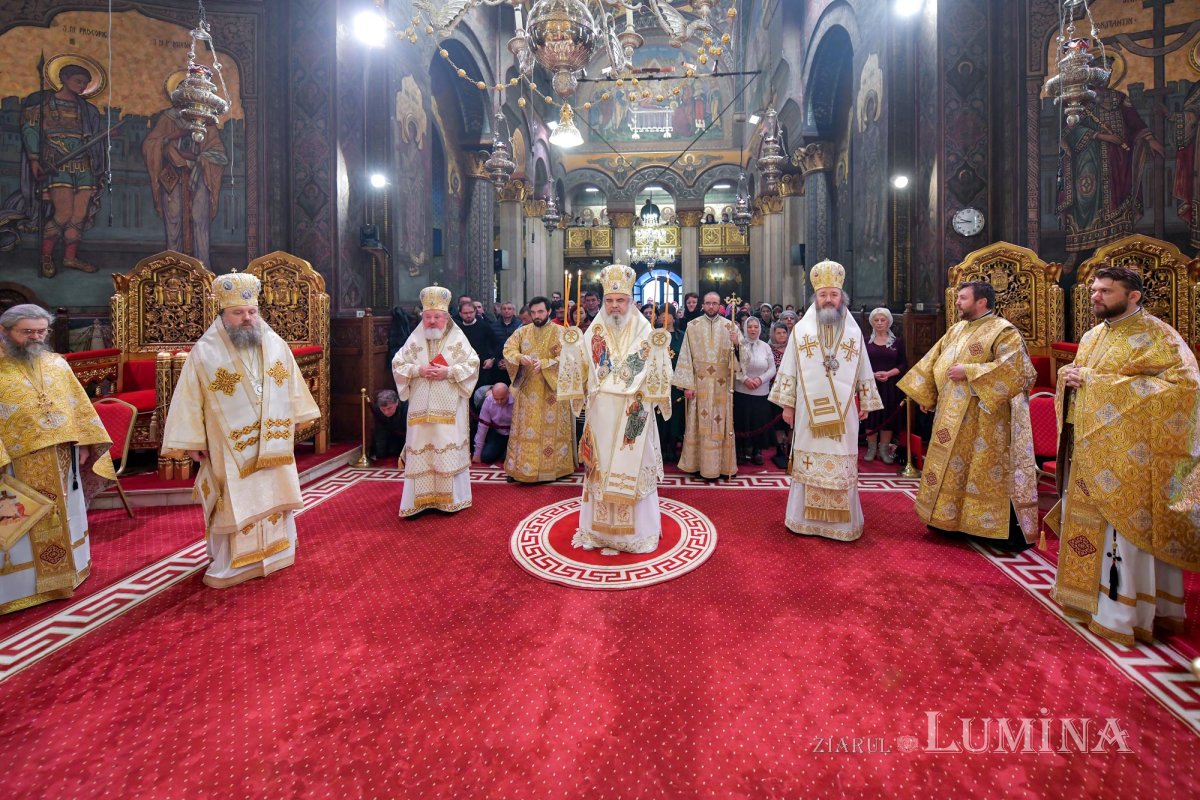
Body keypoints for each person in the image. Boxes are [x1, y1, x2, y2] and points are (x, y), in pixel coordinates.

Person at [1052, 265, 1200, 645]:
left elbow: (1184, 390)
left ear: (1133, 296)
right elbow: (1080, 380)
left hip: (1134, 462)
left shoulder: (1159, 336)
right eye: (1094, 290)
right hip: (1088, 450)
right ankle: (1087, 602)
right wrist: (1068, 378)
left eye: (1105, 291)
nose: (1095, 297)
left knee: (1124, 537)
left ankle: (1125, 612)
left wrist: (1097, 384)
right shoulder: (1091, 336)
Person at [161, 273, 321, 588]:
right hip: (229, 446)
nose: (247, 318)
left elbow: (292, 384)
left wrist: (300, 415)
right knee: (235, 496)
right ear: (223, 314)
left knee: (275, 489)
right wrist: (194, 440)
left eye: (252, 312)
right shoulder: (205, 352)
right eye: (239, 313)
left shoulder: (274, 342)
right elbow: (189, 399)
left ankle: (278, 549)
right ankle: (231, 564)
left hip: (273, 443)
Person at [898, 280, 1039, 551]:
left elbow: (1018, 371)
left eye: (963, 298)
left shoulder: (1003, 331)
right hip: (951, 414)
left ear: (981, 302)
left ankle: (990, 529)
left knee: (981, 471)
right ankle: (948, 521)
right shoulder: (958, 329)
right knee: (953, 468)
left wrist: (971, 372)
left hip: (985, 421)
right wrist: (929, 394)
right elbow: (934, 360)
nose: (958, 303)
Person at [0, 304, 114, 614]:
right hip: (15, 463)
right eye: (27, 332)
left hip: (64, 457)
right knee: (21, 519)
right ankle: (22, 587)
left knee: (63, 514)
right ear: (6, 332)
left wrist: (86, 445)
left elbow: (78, 407)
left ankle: (67, 574)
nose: (36, 338)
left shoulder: (56, 364)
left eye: (41, 331)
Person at [557, 264, 674, 554]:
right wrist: (570, 350)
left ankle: (636, 535)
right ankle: (599, 533)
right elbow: (582, 367)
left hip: (634, 411)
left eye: (620, 300)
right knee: (601, 468)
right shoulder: (594, 329)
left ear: (630, 301)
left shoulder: (647, 330)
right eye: (609, 301)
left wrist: (660, 354)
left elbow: (657, 372)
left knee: (633, 468)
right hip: (601, 412)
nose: (614, 306)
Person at [769, 261, 881, 541]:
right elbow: (791, 369)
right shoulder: (801, 331)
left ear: (842, 298)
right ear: (815, 299)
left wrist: (865, 401)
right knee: (808, 460)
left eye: (833, 295)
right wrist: (787, 405)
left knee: (842, 460)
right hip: (809, 411)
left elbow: (863, 366)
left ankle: (841, 525)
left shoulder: (854, 332)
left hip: (844, 411)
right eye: (823, 295)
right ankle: (803, 520)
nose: (828, 299)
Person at [393, 286, 480, 516]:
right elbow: (398, 364)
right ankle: (418, 502)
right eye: (428, 316)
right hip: (420, 411)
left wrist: (449, 372)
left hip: (449, 410)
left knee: (446, 449)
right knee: (421, 449)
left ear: (446, 317)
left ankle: (450, 500)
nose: (432, 321)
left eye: (437, 317)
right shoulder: (414, 339)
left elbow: (473, 364)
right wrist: (417, 369)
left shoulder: (458, 339)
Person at [13, 64, 106, 277]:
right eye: (78, 81)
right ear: (64, 78)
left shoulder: (87, 109)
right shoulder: (45, 103)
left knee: (79, 215)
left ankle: (70, 258)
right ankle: (46, 256)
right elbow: (31, 130)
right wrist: (35, 159)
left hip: (84, 165)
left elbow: (92, 137)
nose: (82, 87)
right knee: (63, 214)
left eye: (85, 83)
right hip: (58, 164)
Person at [142, 100, 229, 267]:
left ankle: (202, 267)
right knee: (173, 218)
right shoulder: (168, 119)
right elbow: (150, 145)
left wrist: (196, 157)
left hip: (200, 177)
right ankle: (174, 267)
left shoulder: (207, 123)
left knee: (199, 218)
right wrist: (171, 138)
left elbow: (218, 154)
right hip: (172, 177)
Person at [500, 296, 577, 482]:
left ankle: (552, 469)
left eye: (541, 311)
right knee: (526, 430)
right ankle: (521, 469)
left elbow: (569, 359)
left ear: (549, 311)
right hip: (528, 391)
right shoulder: (522, 332)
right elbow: (508, 350)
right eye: (533, 312)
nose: (536, 315)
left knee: (550, 431)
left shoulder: (561, 332)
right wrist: (519, 358)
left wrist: (544, 364)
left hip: (551, 392)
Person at [674, 292, 741, 479]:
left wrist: (736, 343)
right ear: (702, 305)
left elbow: (742, 361)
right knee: (699, 425)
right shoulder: (692, 326)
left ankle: (723, 467)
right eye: (708, 303)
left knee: (721, 424)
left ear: (720, 306)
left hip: (722, 383)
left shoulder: (731, 326)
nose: (711, 307)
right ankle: (697, 465)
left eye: (715, 304)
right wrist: (687, 384)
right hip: (700, 383)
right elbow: (685, 356)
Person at [862, 308, 907, 464]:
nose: (879, 323)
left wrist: (888, 374)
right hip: (870, 384)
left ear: (889, 322)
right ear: (872, 323)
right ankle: (871, 449)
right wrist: (871, 374)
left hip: (890, 385)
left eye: (883, 320)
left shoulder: (897, 342)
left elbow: (903, 364)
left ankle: (884, 449)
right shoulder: (865, 341)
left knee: (888, 417)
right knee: (871, 417)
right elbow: (860, 364)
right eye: (876, 320)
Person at [733, 316, 777, 465]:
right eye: (750, 326)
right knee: (741, 422)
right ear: (745, 328)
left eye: (755, 327)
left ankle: (757, 451)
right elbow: (734, 365)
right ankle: (741, 450)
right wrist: (745, 379)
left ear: (759, 329)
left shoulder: (766, 346)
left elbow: (772, 368)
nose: (753, 329)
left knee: (759, 423)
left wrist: (760, 379)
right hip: (742, 391)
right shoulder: (738, 345)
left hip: (761, 391)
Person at [654, 302, 686, 464]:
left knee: (675, 415)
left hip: (676, 382)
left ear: (674, 317)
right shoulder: (654, 336)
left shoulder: (682, 336)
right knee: (659, 415)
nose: (663, 317)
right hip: (659, 382)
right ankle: (660, 447)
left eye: (666, 314)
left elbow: (686, 359)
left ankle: (672, 448)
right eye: (660, 315)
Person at [457, 299, 501, 387]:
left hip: (483, 370)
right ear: (460, 314)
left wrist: (492, 359)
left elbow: (498, 344)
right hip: (464, 370)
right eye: (465, 313)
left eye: (471, 312)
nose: (469, 315)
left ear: (475, 312)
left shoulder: (484, 326)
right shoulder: (458, 330)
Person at [767, 321, 792, 468]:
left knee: (790, 423)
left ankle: (789, 449)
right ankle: (779, 450)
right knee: (778, 424)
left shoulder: (792, 348)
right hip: (775, 391)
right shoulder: (769, 349)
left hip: (791, 392)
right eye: (778, 333)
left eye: (784, 332)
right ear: (773, 335)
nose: (782, 335)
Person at [472, 382, 514, 466]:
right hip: (497, 434)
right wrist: (477, 453)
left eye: (502, 399)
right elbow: (482, 427)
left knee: (513, 458)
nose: (499, 402)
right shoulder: (489, 401)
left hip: (514, 435)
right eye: (496, 399)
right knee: (486, 457)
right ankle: (503, 451)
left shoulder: (516, 401)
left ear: (508, 394)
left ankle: (505, 452)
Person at [371, 389, 406, 462]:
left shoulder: (406, 406)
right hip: (393, 435)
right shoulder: (377, 409)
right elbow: (380, 432)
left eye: (389, 408)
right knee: (390, 451)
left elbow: (410, 432)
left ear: (396, 402)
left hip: (406, 435)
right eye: (383, 409)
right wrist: (380, 457)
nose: (386, 412)